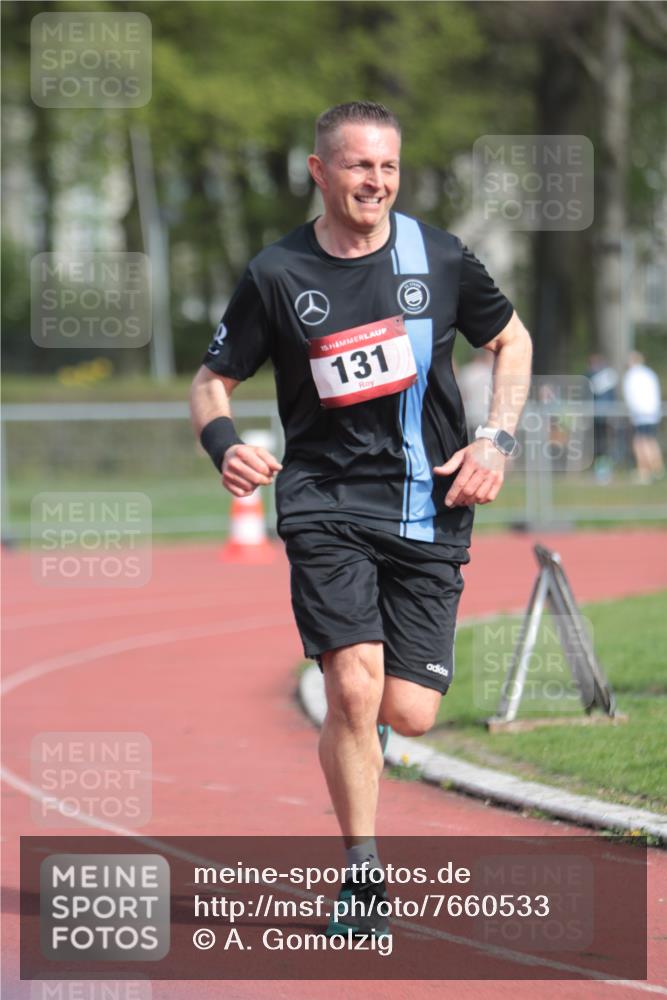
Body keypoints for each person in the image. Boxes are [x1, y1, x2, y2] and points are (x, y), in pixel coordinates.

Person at [190, 101, 532, 936]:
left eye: (387, 167)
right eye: (356, 166)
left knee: (408, 712)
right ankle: (363, 875)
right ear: (319, 171)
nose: (374, 181)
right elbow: (211, 381)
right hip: (324, 502)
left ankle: (364, 722)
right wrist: (224, 444)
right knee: (352, 687)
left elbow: (512, 341)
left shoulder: (439, 257)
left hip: (431, 499)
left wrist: (495, 439)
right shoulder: (277, 274)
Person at [622, 352, 664, 484]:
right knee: (650, 440)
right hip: (652, 412)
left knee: (640, 442)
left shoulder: (631, 376)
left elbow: (630, 397)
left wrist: (632, 413)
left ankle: (645, 471)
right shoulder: (650, 373)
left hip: (640, 413)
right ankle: (657, 469)